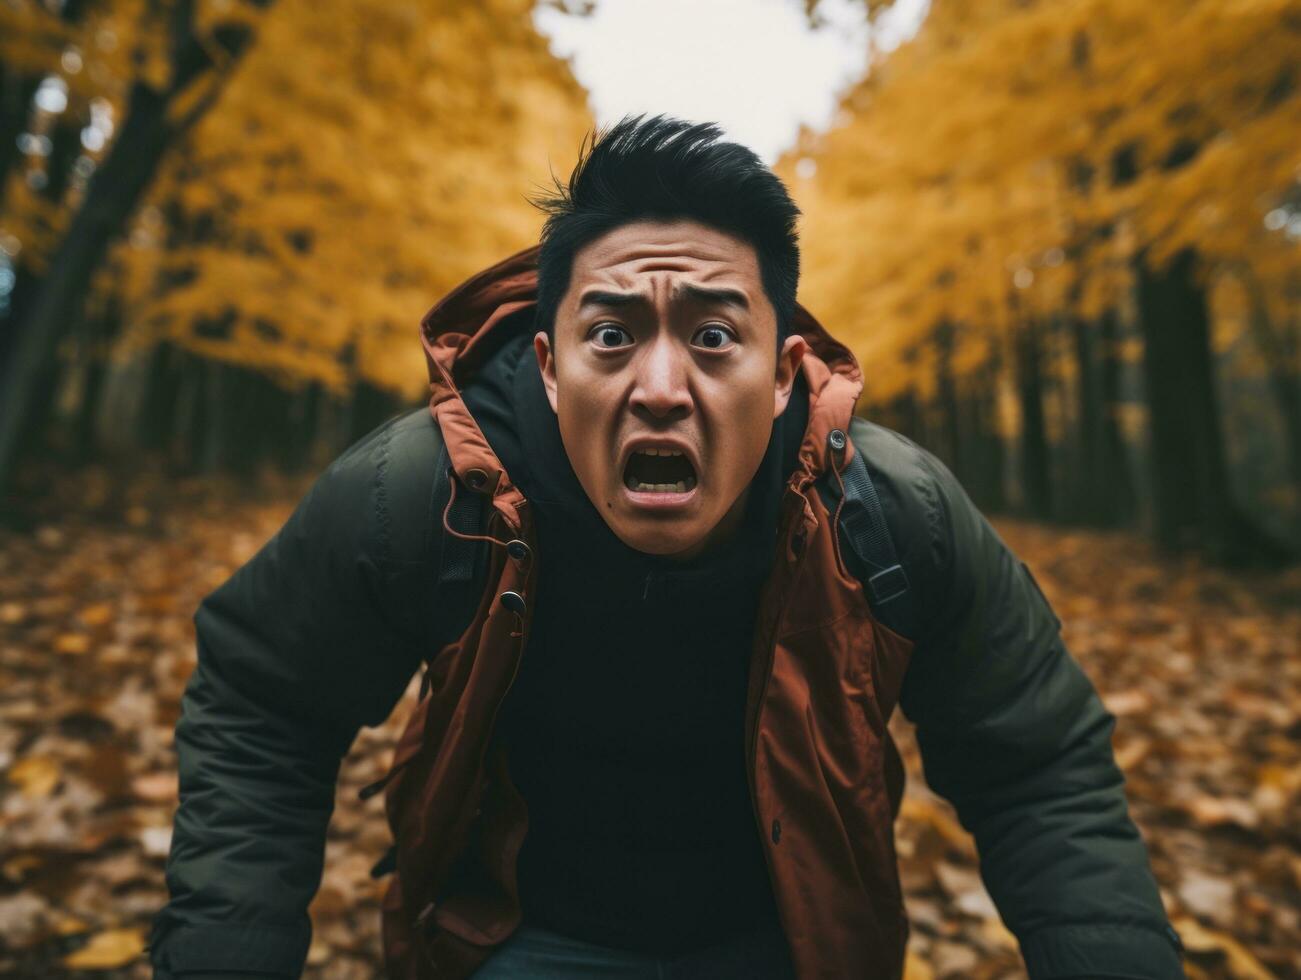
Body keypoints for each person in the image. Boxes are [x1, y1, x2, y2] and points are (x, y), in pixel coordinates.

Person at [148, 115, 1184, 980]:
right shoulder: (423, 495)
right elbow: (264, 702)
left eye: (712, 335)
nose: (657, 384)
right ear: (548, 366)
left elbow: (1037, 762)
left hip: (792, 945)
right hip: (516, 937)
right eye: (610, 335)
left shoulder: (890, 511)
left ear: (782, 373)